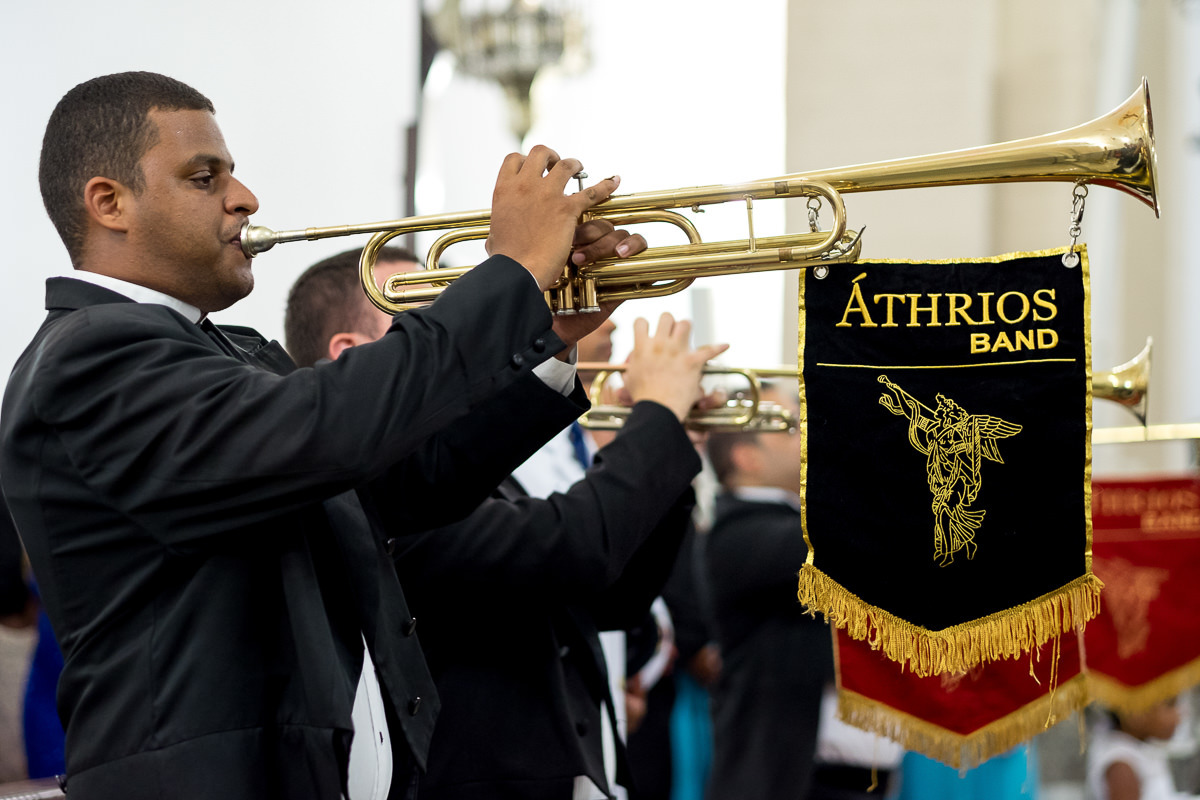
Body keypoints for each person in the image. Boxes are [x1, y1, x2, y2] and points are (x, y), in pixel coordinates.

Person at [1, 71, 646, 800]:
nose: (244, 199)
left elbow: (397, 483)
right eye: (204, 176)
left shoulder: (230, 350)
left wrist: (548, 340)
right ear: (109, 202)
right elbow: (332, 430)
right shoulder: (90, 356)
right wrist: (510, 274)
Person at [284, 246, 725, 799]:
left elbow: (614, 598)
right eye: (425, 316)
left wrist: (668, 451)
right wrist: (658, 418)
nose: (456, 327)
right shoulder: (373, 491)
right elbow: (574, 547)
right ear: (350, 354)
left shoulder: (460, 470)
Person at [1086, 698, 1197, 800]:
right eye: (1169, 706)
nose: (1179, 715)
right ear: (1134, 715)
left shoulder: (1140, 748)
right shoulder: (1122, 765)